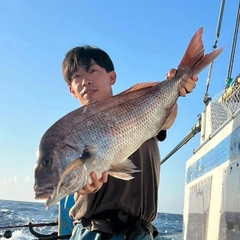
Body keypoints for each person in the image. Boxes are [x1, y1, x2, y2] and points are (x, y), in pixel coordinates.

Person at [61, 45, 198, 240]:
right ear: (72, 90)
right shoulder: (72, 134)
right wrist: (82, 185)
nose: (85, 81)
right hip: (90, 232)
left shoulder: (139, 106)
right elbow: (71, 177)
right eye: (76, 77)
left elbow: (168, 117)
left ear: (112, 77)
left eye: (92, 71)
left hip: (139, 233)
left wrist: (176, 87)